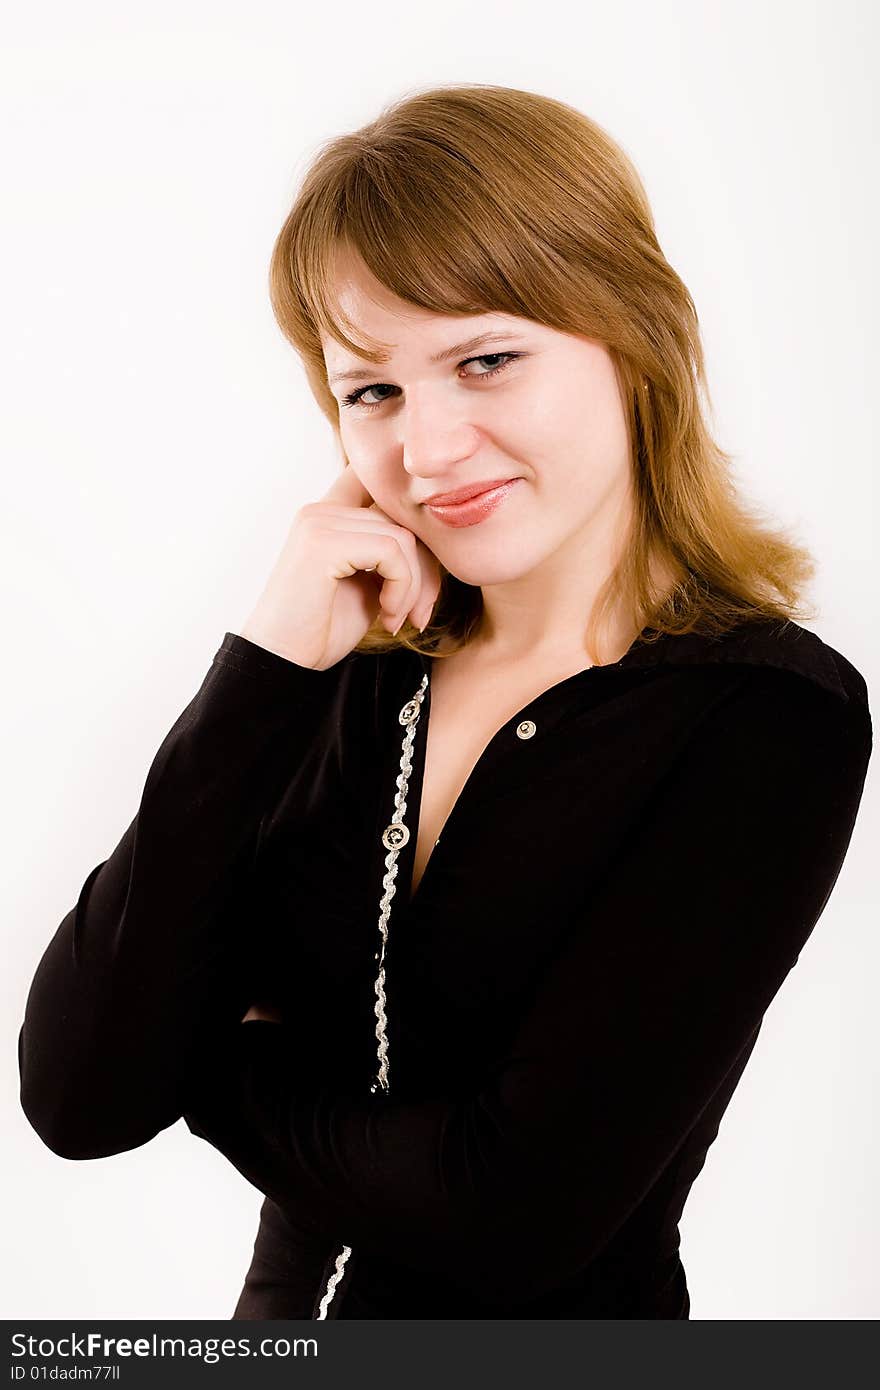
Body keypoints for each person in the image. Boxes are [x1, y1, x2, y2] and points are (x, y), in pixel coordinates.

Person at [18, 83, 872, 1321]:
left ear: (633, 339)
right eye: (372, 391)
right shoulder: (339, 677)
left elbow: (508, 1215)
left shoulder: (762, 715)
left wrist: (211, 1065)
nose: (426, 450)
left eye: (485, 360)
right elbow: (81, 1091)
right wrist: (259, 674)